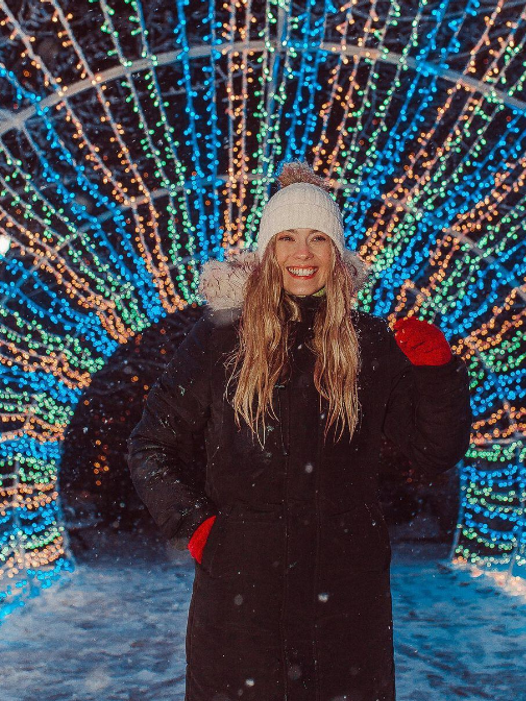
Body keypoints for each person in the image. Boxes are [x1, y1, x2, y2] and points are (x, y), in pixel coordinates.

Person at [127, 162, 472, 700]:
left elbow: (433, 452)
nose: (302, 254)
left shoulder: (370, 344)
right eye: (287, 238)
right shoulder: (221, 340)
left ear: (338, 253)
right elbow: (152, 445)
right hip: (241, 597)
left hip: (346, 595)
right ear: (268, 251)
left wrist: (437, 379)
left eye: (318, 239)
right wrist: (199, 529)